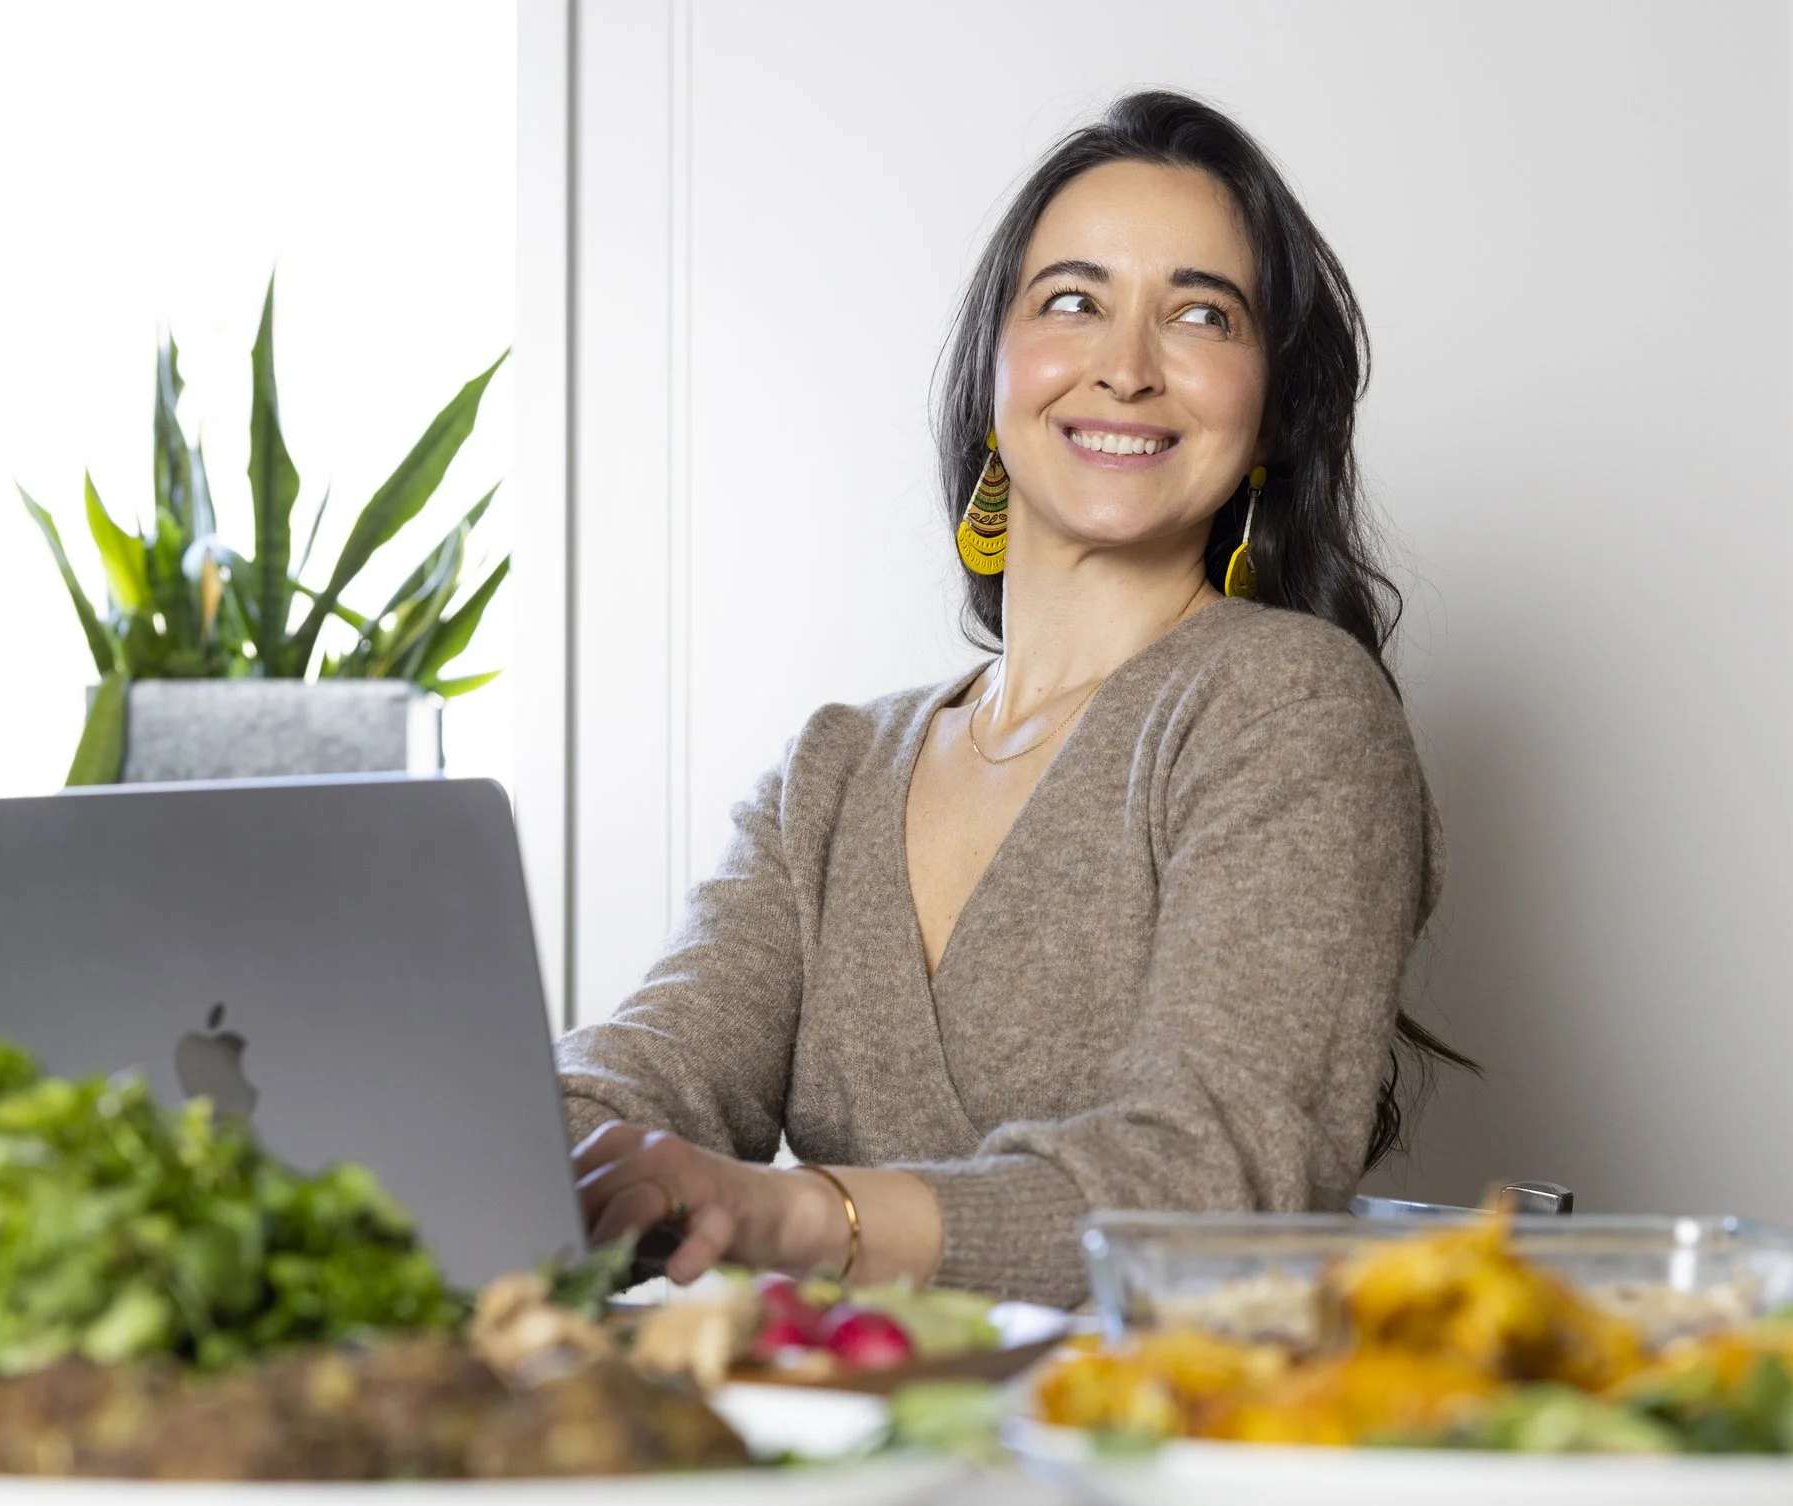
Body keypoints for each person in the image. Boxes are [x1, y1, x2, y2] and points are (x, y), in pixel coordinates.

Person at [561, 89, 1466, 1307]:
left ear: (1267, 411)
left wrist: (798, 1211)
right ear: (994, 370)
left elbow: (1213, 1181)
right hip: (856, 1417)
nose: (1125, 367)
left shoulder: (1289, 708)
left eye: (1201, 313)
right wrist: (521, 1137)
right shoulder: (833, 771)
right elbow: (636, 1079)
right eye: (1073, 302)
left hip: (1154, 1420)